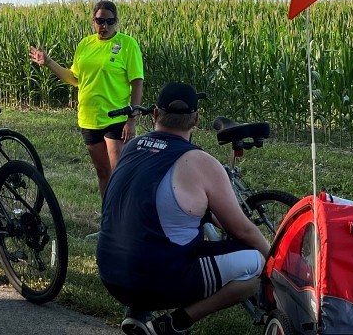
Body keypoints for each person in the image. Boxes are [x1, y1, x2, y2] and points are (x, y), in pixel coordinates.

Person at [96, 82, 270, 335]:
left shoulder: (131, 148)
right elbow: (242, 230)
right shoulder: (202, 163)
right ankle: (175, 324)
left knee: (151, 232)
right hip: (156, 282)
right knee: (256, 264)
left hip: (110, 274)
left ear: (155, 114)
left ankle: (137, 310)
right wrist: (275, 262)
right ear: (196, 120)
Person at [29, 0, 143, 198]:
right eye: (100, 21)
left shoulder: (127, 45)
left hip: (117, 118)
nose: (104, 26)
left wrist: (132, 119)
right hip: (89, 118)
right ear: (93, 21)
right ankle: (107, 221)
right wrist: (48, 62)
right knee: (103, 172)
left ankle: (124, 222)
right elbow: (74, 78)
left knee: (119, 174)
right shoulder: (85, 44)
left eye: (110, 21)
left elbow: (137, 83)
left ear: (116, 21)